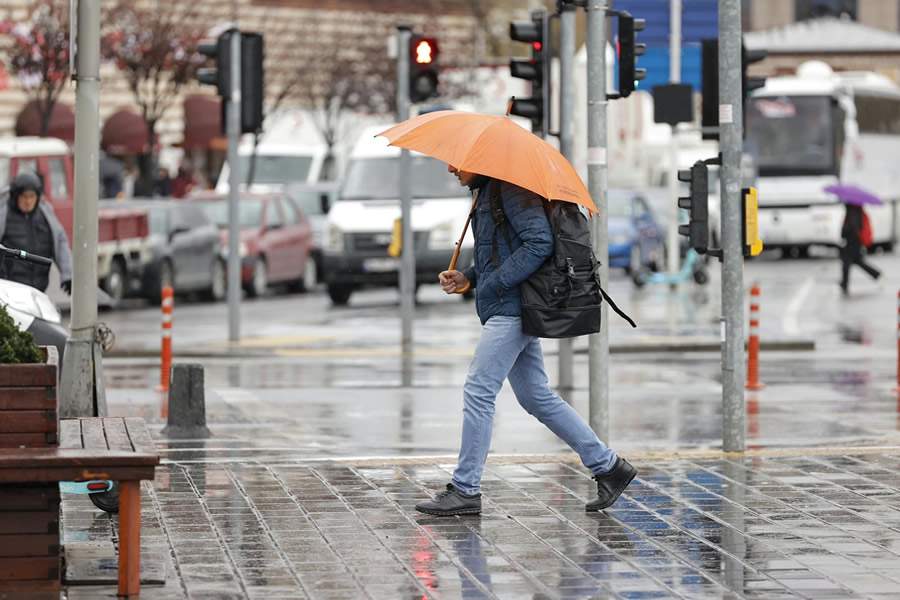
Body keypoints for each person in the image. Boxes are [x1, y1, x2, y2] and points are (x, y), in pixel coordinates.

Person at [414, 166, 636, 517]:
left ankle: (465, 488)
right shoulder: (487, 193)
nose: (451, 169)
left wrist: (496, 283)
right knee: (536, 395)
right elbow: (502, 251)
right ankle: (609, 467)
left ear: (481, 161)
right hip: (509, 305)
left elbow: (539, 242)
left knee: (479, 389)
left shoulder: (510, 190)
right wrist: (468, 278)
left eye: (458, 162)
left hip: (513, 308)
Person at [0, 172, 73, 294]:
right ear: (15, 196)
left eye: (31, 196)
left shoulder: (46, 215)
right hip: (9, 291)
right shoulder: (3, 215)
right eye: (24, 196)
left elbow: (60, 242)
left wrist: (68, 275)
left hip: (39, 290)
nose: (28, 201)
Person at [839, 203, 880, 295]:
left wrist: (843, 232)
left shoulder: (852, 211)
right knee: (856, 261)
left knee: (847, 262)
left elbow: (852, 227)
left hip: (853, 242)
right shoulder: (856, 209)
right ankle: (876, 274)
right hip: (855, 241)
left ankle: (844, 284)